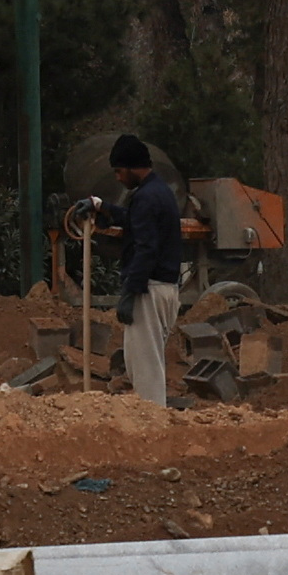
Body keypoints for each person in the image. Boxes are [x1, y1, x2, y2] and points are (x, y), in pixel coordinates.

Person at [105, 135, 187, 409]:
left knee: (145, 368)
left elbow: (146, 249)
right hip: (165, 287)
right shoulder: (159, 192)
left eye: (119, 170)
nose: (118, 178)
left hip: (149, 291)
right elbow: (135, 221)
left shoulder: (146, 198)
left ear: (131, 166)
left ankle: (152, 428)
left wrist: (131, 290)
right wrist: (101, 207)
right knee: (144, 361)